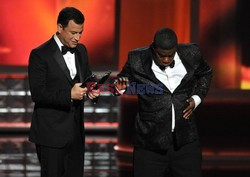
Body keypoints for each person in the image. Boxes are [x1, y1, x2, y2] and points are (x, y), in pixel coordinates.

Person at [114, 28, 212, 177]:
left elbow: (206, 73)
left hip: (185, 142)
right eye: (161, 56)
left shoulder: (192, 53)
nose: (166, 60)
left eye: (170, 56)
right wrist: (120, 87)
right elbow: (120, 83)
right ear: (154, 48)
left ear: (176, 48)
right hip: (149, 144)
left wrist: (197, 98)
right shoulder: (137, 58)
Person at [28, 7, 99, 177]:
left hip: (76, 133)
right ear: (60, 27)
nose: (77, 38)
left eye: (80, 33)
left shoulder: (82, 50)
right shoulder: (39, 54)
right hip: (50, 135)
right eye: (73, 32)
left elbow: (87, 78)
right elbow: (38, 93)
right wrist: (69, 95)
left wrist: (92, 91)